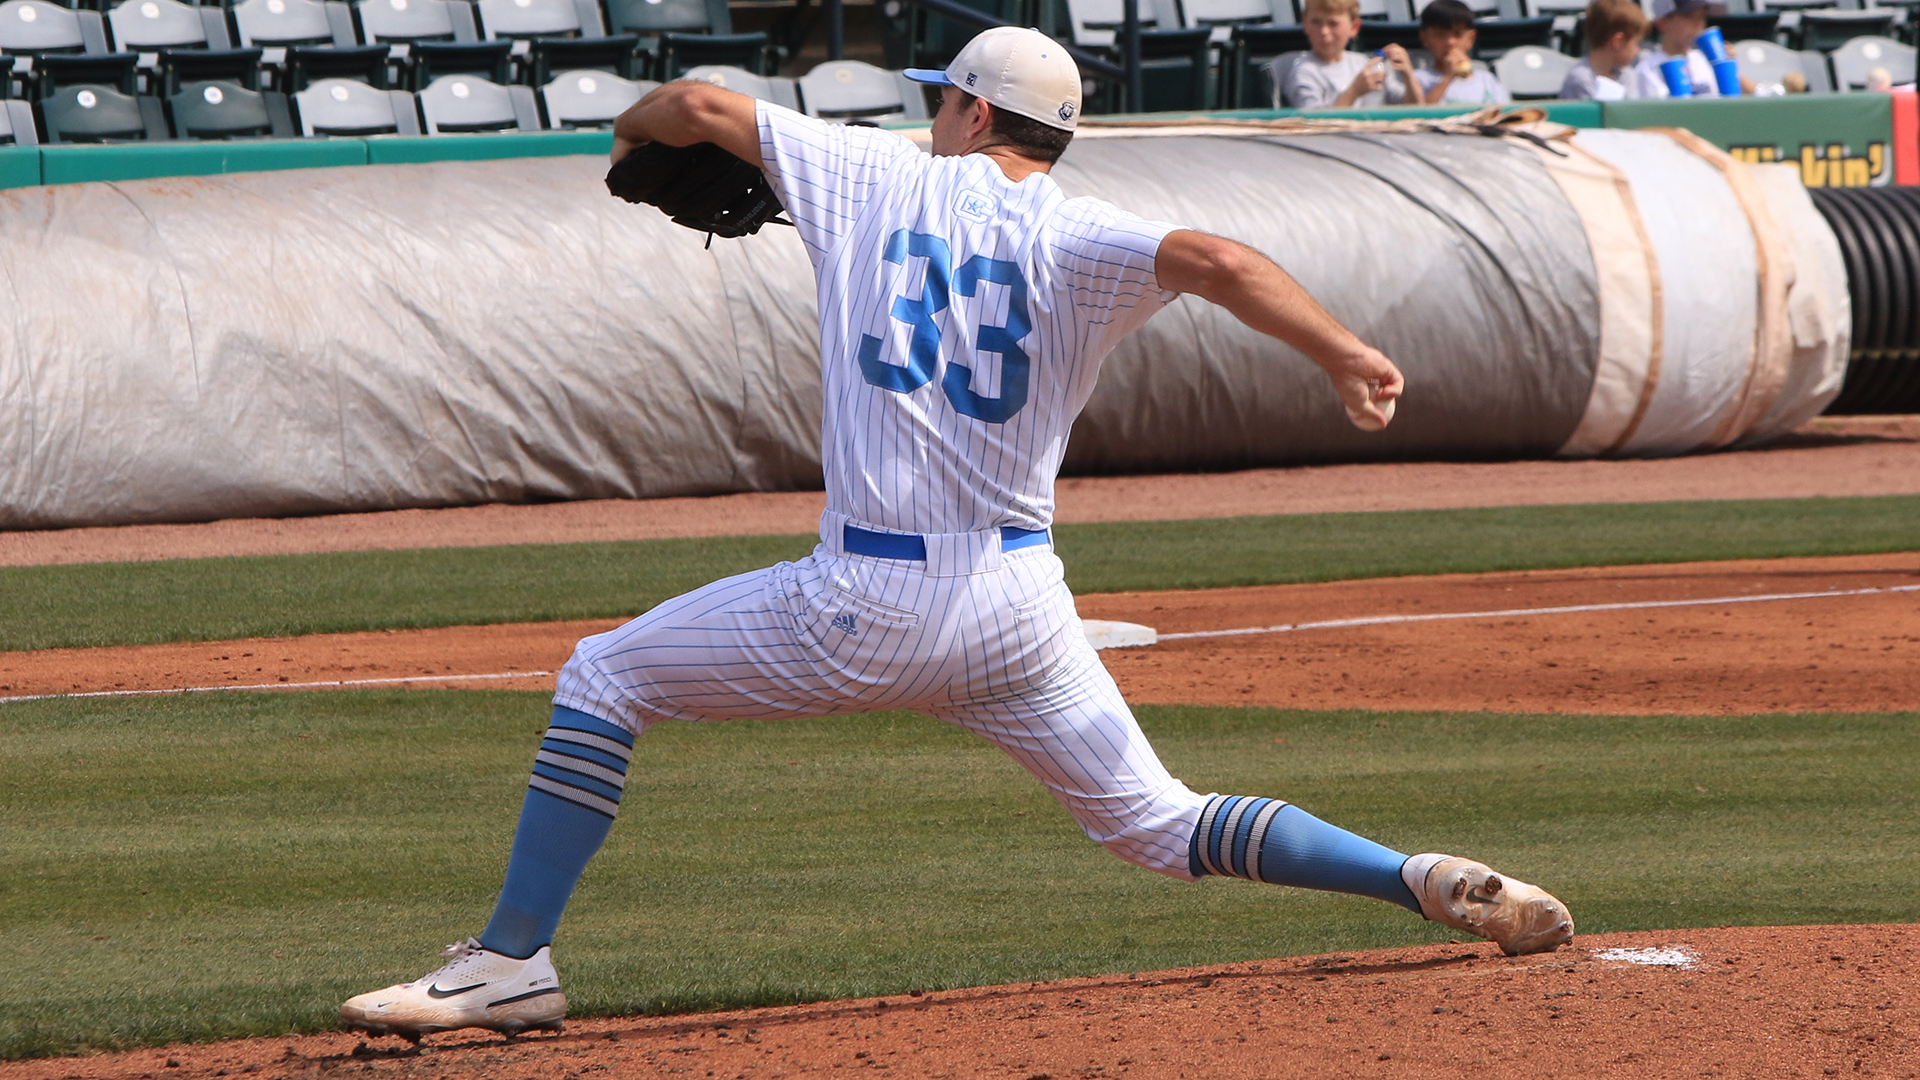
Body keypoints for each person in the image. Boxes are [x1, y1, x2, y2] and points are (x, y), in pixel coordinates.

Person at [337, 26, 1573, 1041]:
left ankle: (509, 962)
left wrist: (635, 130)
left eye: (944, 101)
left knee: (604, 674)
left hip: (864, 605)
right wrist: (1346, 352)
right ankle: (1414, 878)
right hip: (1022, 611)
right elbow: (1217, 254)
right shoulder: (1080, 237)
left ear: (975, 115)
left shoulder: (871, 177)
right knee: (1159, 823)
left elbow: (700, 106)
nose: (933, 117)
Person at [1283, 0, 1417, 109]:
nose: (1324, 31)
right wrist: (1354, 91)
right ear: (1305, 24)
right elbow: (1313, 124)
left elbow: (1415, 111)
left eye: (1333, 24)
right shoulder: (1303, 72)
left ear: (1354, 28)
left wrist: (1408, 77)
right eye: (1316, 22)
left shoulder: (1363, 63)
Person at [1559, 0, 1663, 100]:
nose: (1637, 50)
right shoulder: (1581, 80)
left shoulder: (1627, 76)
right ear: (1618, 41)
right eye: (1635, 43)